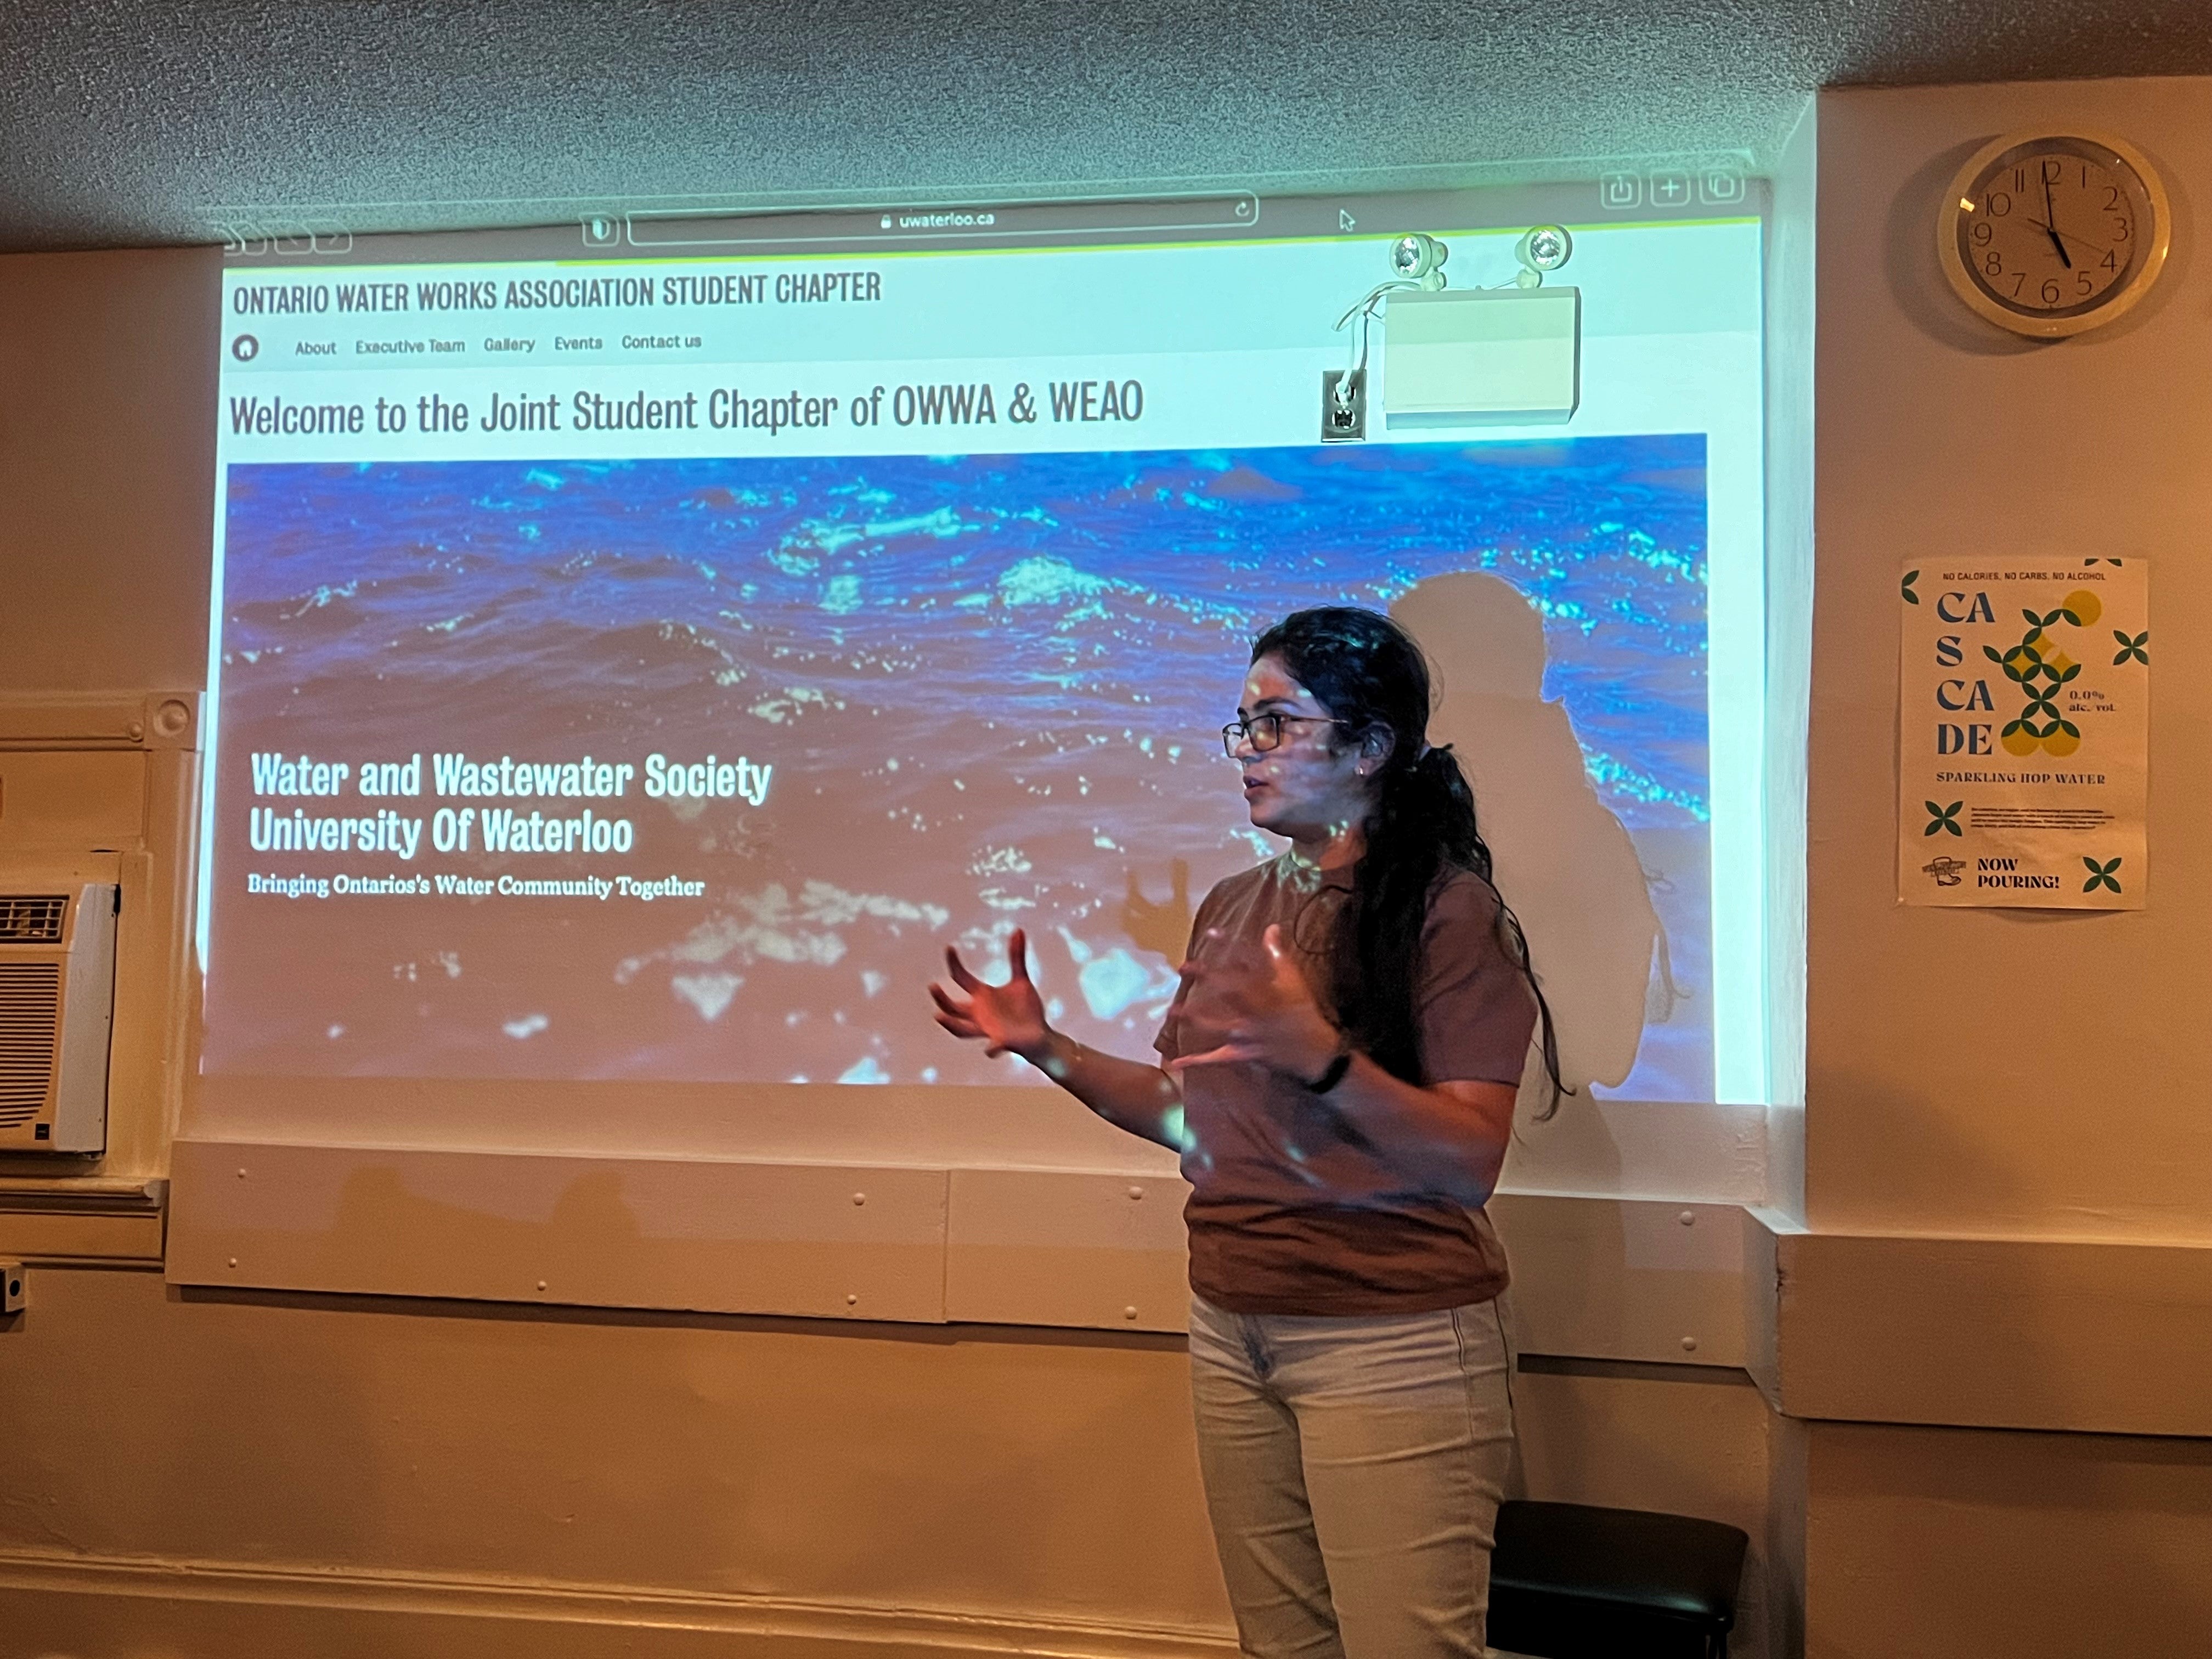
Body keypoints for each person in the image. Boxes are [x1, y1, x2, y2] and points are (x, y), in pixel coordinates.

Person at [930, 605, 1564, 1659]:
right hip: (1233, 1322)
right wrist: (1048, 1048)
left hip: (1392, 1337)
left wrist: (1322, 1057)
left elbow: (1469, 1162)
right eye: (1242, 726)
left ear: (1368, 749)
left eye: (1276, 724)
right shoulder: (1234, 904)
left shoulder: (1448, 913)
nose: (1247, 751)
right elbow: (1196, 1121)